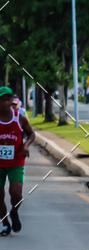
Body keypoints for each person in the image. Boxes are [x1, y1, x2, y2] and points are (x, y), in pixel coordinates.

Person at [0, 86, 35, 236]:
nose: (7, 102)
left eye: (9, 99)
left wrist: (26, 145)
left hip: (16, 162)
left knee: (16, 194)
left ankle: (14, 211)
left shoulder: (19, 117)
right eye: (3, 99)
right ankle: (5, 223)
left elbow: (31, 134)